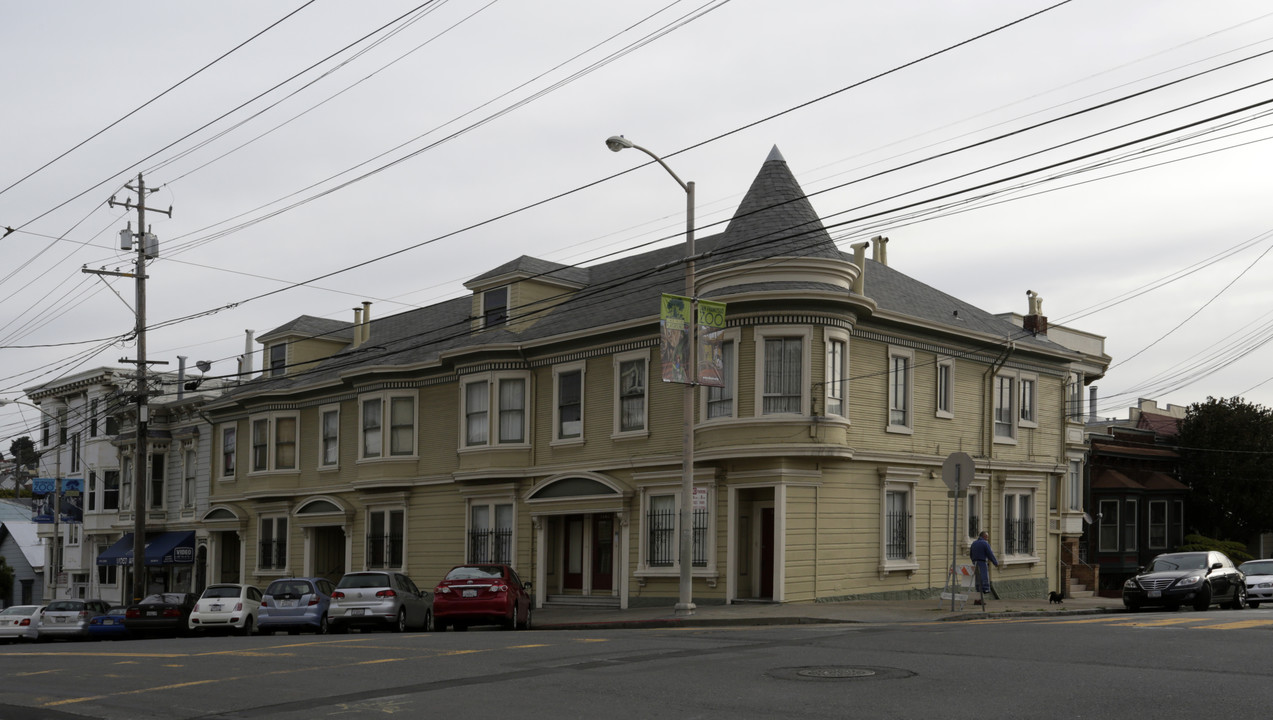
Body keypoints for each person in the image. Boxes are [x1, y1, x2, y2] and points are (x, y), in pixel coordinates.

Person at [970, 531, 998, 603]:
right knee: (983, 581)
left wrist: (973, 561)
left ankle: (977, 599)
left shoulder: (974, 543)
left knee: (977, 582)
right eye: (987, 537)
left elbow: (971, 554)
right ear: (984, 536)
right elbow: (990, 554)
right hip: (982, 563)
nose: (987, 539)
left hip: (975, 563)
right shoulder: (985, 543)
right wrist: (995, 563)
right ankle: (980, 599)